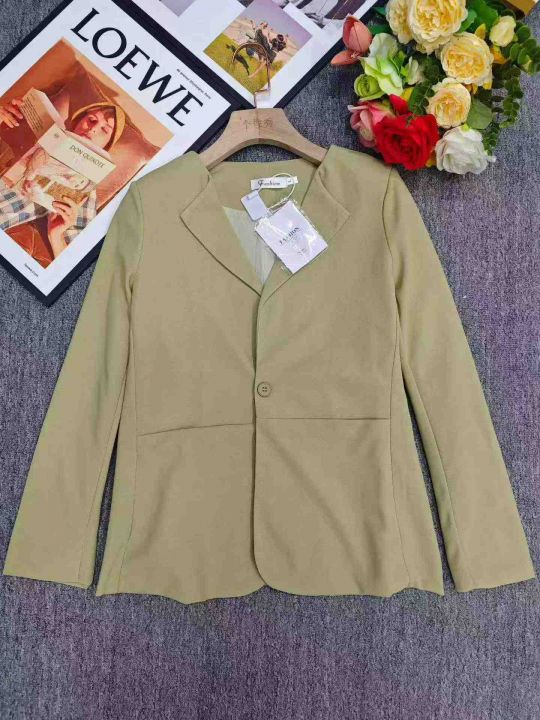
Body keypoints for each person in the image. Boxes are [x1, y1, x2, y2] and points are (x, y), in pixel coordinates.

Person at [0, 98, 125, 259]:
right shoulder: (44, 133)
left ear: (106, 145)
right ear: (78, 122)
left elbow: (72, 261)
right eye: (91, 119)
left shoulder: (85, 189)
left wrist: (56, 235)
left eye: (105, 129)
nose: (93, 128)